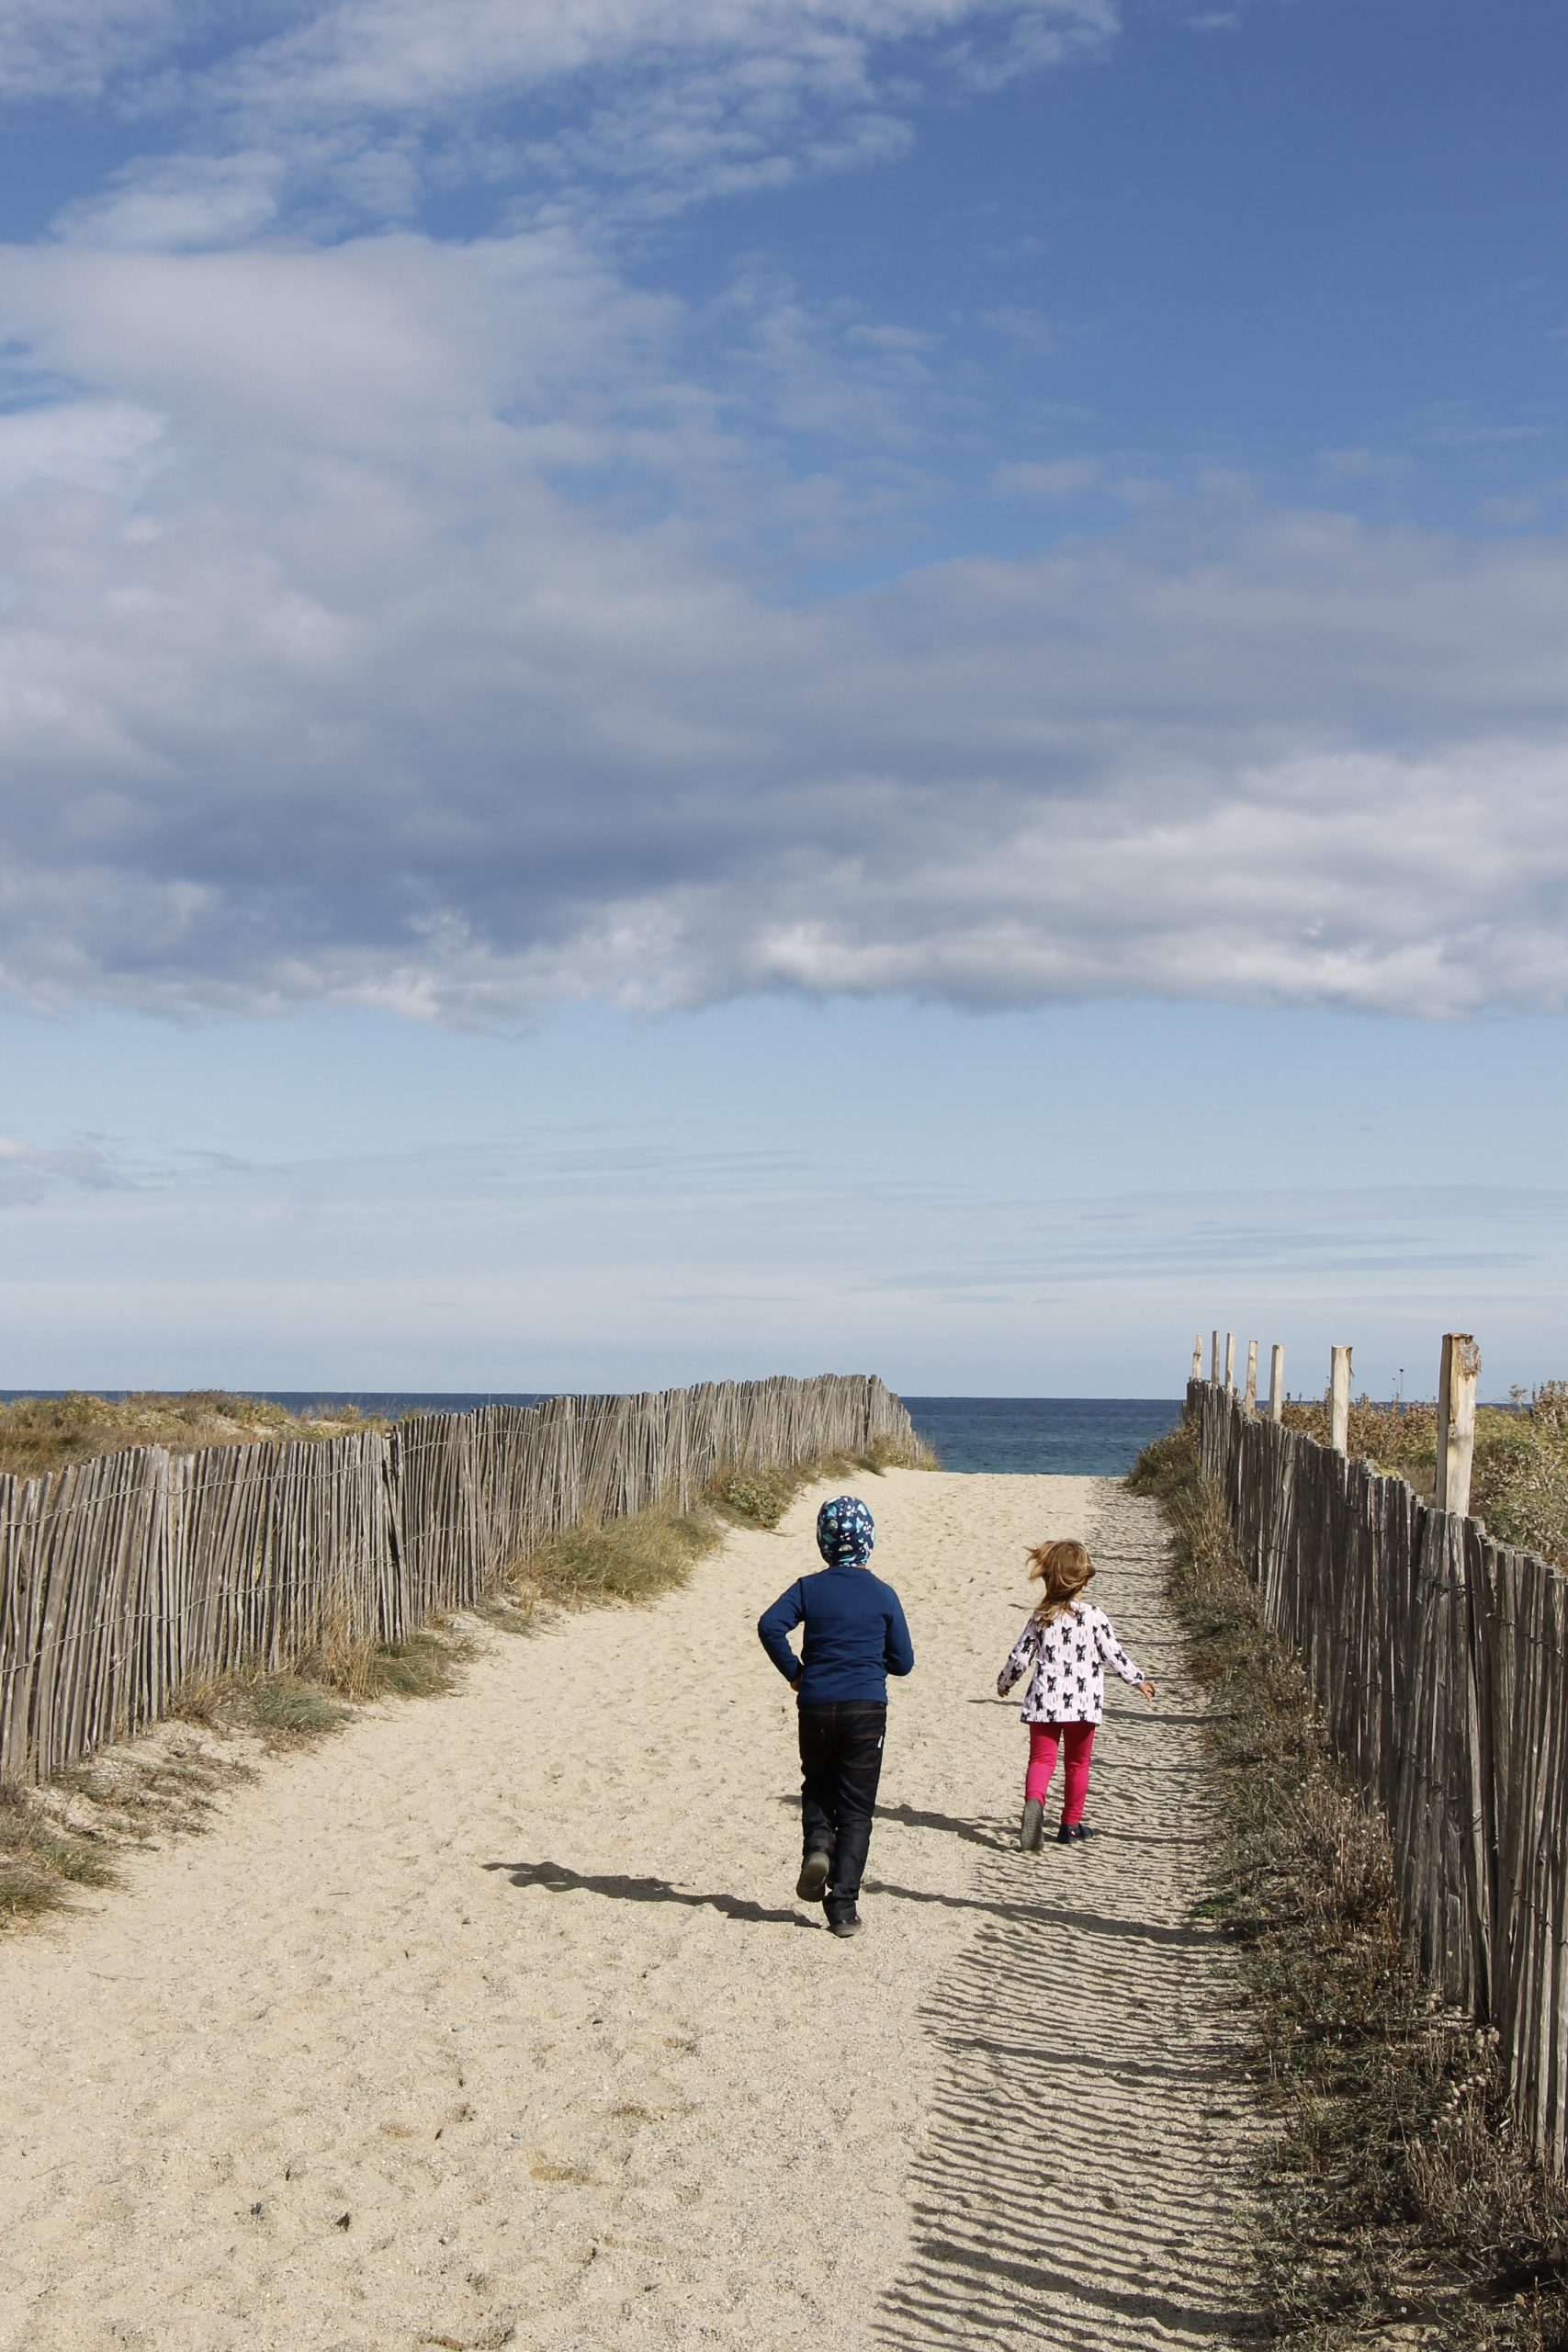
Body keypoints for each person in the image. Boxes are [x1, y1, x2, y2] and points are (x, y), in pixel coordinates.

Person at [757, 1495, 915, 1939]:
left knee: (817, 1782)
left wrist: (796, 1673)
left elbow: (770, 1626)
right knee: (858, 1808)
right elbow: (903, 1663)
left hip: (816, 1703)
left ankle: (818, 1847)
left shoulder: (808, 1587)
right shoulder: (883, 1594)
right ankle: (842, 1907)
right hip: (865, 1708)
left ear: (824, 1542)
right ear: (869, 1540)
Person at [996, 1536, 1155, 1851]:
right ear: (1083, 1579)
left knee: (1041, 1760)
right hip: (1083, 1704)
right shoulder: (1094, 1617)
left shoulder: (1041, 1618)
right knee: (1078, 1765)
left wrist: (1005, 1683)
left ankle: (1034, 1803)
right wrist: (1138, 1681)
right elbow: (1114, 1655)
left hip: (1045, 1702)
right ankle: (1070, 1825)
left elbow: (1020, 1657)